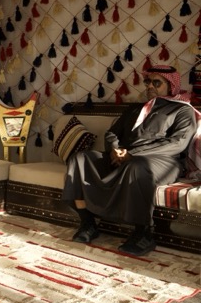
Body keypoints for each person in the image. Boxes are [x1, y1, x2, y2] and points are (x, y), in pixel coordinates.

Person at [62, 65, 199, 256]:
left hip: (162, 160)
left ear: (171, 86)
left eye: (156, 82)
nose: (150, 86)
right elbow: (112, 133)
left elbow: (178, 143)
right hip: (123, 156)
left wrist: (132, 154)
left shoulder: (182, 110)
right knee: (80, 159)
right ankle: (88, 223)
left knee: (137, 166)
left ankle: (143, 233)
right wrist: (114, 150)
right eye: (148, 81)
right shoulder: (135, 109)